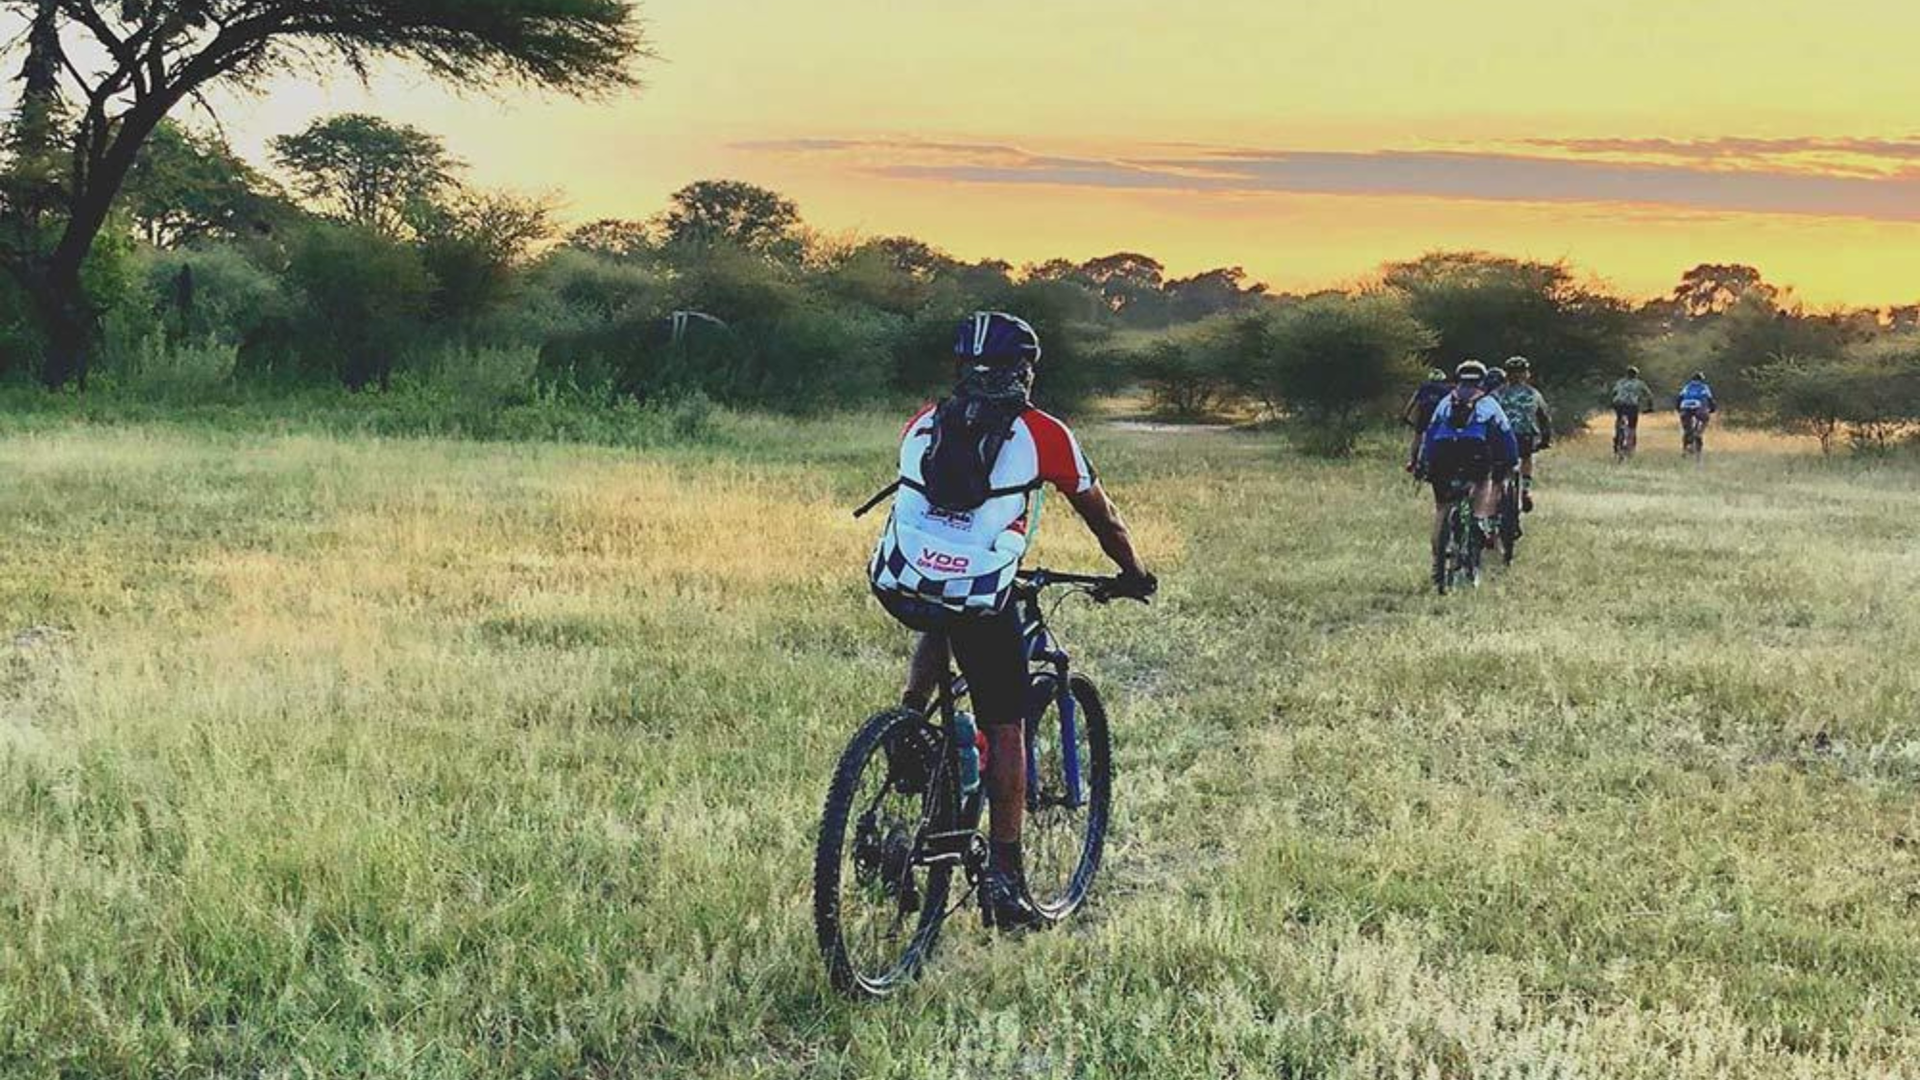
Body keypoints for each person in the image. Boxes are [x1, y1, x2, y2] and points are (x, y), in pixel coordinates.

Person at [868, 311, 1156, 931]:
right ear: (1024, 371)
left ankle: (910, 725)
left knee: (939, 616)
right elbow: (1102, 517)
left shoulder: (923, 421)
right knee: (1006, 725)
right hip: (979, 594)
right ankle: (1006, 879)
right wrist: (1132, 572)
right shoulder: (1043, 434)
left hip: (903, 581)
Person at [1418, 360, 1518, 558]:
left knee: (1442, 506)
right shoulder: (1488, 402)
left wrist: (1425, 461)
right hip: (1475, 450)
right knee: (1482, 482)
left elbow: (1430, 432)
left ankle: (1439, 552)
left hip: (1443, 452)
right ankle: (1479, 519)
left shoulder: (1445, 402)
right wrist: (1510, 460)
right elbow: (1506, 434)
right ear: (1482, 380)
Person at [1493, 357, 1553, 512]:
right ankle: (1525, 489)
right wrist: (1546, 439)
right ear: (1526, 374)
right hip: (1525, 436)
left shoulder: (1497, 394)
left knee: (1499, 462)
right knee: (1526, 458)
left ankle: (1498, 490)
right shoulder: (1533, 394)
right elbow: (1544, 418)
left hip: (1502, 437)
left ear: (1507, 374)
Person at [1401, 367, 1452, 472]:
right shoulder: (1446, 390)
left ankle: (1413, 462)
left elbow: (1413, 401)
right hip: (1438, 417)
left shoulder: (1423, 387)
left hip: (1423, 415)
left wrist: (1406, 415)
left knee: (1417, 438)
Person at [1610, 365, 1655, 454]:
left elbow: (1613, 393)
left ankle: (1617, 441)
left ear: (1626, 374)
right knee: (1632, 427)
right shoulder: (1640, 383)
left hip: (1619, 405)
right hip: (1632, 406)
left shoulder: (1620, 382)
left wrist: (1612, 404)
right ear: (1636, 375)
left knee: (1619, 422)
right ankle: (1630, 448)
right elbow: (1649, 395)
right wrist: (1650, 407)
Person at [1675, 370, 1718, 449]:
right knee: (1705, 419)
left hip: (1685, 406)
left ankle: (1685, 447)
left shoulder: (1687, 386)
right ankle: (1699, 433)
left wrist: (1678, 409)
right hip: (1698, 407)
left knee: (1687, 428)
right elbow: (1710, 399)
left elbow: (1679, 398)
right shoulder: (1704, 386)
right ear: (1701, 379)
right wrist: (1713, 409)